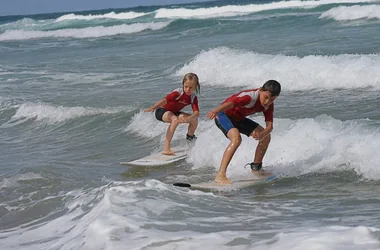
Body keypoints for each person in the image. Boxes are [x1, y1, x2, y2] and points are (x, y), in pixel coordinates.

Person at [206, 80, 281, 184]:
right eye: (266, 97)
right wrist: (215, 111)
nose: (267, 102)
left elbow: (270, 126)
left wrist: (262, 134)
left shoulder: (268, 106)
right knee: (236, 139)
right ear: (260, 90)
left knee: (266, 137)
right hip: (223, 115)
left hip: (239, 119)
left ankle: (256, 169)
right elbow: (231, 103)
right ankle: (221, 175)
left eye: (272, 99)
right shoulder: (249, 97)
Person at [144, 73, 200, 155]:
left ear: (195, 87)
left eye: (191, 87)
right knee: (175, 120)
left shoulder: (193, 98)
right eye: (186, 86)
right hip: (162, 111)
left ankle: (190, 138)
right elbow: (164, 100)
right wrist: (153, 107)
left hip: (174, 112)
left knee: (194, 119)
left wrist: (189, 118)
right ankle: (166, 148)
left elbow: (196, 112)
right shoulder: (178, 93)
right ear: (183, 85)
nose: (188, 89)